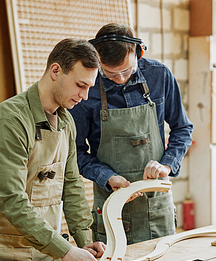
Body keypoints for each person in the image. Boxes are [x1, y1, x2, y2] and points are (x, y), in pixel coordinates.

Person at [0, 38, 106, 261]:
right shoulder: (10, 121)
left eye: (89, 87)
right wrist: (65, 251)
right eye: (80, 85)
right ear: (55, 71)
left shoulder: (66, 122)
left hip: (42, 253)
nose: (84, 96)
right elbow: (11, 200)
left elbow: (71, 184)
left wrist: (84, 240)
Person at [69, 23, 193, 245]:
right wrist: (106, 177)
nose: (120, 79)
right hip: (112, 204)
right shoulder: (88, 88)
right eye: (110, 73)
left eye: (127, 70)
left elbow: (183, 128)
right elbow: (75, 153)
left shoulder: (159, 76)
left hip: (156, 204)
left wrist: (166, 164)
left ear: (139, 52)